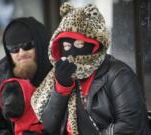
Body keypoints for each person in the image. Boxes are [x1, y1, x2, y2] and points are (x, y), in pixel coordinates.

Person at [31, 2, 151, 135]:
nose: (73, 52)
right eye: (66, 46)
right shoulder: (62, 74)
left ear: (93, 44)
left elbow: (131, 125)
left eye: (79, 43)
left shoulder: (118, 74)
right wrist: (61, 88)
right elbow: (50, 127)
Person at [0, 17, 52, 135]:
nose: (21, 53)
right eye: (14, 49)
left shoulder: (59, 72)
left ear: (40, 44)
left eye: (28, 45)